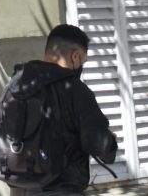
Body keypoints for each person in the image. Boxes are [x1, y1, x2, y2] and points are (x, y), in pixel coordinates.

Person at [8, 24, 118, 193]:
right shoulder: (74, 90)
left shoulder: (16, 84)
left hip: (20, 190)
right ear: (75, 56)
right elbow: (100, 145)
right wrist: (110, 142)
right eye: (83, 60)